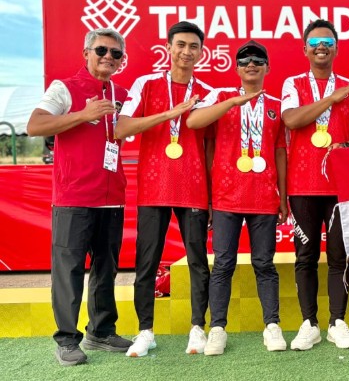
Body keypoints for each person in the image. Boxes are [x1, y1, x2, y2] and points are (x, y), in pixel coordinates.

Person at [27, 28, 132, 366]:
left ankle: (101, 331)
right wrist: (83, 115)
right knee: (69, 271)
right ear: (86, 53)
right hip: (73, 198)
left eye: (115, 53)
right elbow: (34, 125)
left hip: (112, 197)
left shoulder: (123, 93)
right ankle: (67, 339)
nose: (108, 57)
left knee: (106, 269)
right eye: (101, 50)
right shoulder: (64, 88)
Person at [114, 21, 213, 357]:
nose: (186, 52)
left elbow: (211, 147)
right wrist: (170, 113)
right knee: (147, 262)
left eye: (193, 46)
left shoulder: (208, 93)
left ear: (201, 52)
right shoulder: (147, 84)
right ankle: (145, 331)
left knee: (198, 261)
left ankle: (198, 328)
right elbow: (121, 128)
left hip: (194, 187)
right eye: (180, 45)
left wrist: (211, 196)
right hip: (154, 187)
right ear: (168, 48)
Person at [185, 39, 288, 355]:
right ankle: (217, 328)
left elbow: (280, 152)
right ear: (237, 68)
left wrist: (283, 197)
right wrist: (232, 102)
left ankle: (272, 326)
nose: (251, 64)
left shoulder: (277, 105)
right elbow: (194, 124)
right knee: (223, 264)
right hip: (226, 196)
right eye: (244, 61)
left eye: (257, 60)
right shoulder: (220, 97)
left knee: (264, 263)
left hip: (263, 196)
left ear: (267, 67)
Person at [281, 18, 349, 351]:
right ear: (304, 49)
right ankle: (309, 324)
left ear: (337, 48)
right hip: (302, 185)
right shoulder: (293, 84)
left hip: (340, 186)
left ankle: (337, 323)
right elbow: (292, 120)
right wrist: (331, 99)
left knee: (339, 255)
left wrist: (346, 146)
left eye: (328, 42)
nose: (322, 46)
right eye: (315, 42)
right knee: (305, 255)